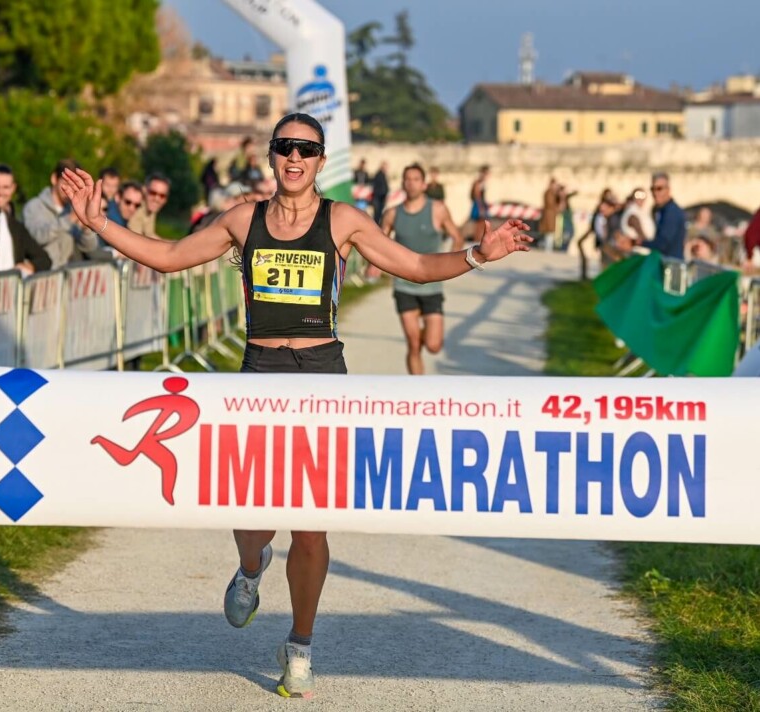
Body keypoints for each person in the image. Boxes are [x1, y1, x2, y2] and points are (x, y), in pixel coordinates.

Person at [60, 112, 531, 700]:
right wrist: (99, 222)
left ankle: (301, 647)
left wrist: (478, 254)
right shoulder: (244, 219)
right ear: (271, 155)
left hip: (322, 378)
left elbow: (414, 266)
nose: (294, 158)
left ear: (320, 160)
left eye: (306, 150)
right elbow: (169, 255)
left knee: (309, 529)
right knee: (252, 516)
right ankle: (250, 568)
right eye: (285, 147)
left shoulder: (343, 221)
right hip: (260, 374)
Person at [381, 163, 464, 375]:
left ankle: (424, 330)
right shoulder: (392, 214)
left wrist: (451, 264)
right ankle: (417, 389)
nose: (411, 183)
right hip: (404, 285)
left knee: (434, 346)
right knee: (413, 344)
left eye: (416, 179)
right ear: (402, 183)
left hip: (432, 286)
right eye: (407, 179)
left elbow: (457, 237)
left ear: (424, 184)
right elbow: (378, 244)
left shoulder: (437, 210)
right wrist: (374, 266)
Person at [23, 159, 102, 266]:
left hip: (68, 273)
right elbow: (37, 237)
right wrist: (69, 219)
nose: (69, 189)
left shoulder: (73, 209)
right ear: (54, 179)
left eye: (74, 185)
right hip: (44, 273)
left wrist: (86, 228)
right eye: (66, 183)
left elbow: (89, 248)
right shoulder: (34, 206)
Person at [643, 172, 686, 260]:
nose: (655, 193)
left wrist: (639, 243)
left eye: (659, 189)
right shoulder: (659, 210)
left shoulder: (672, 212)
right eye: (652, 189)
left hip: (671, 264)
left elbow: (663, 243)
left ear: (668, 189)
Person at [127, 173, 171, 238]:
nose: (157, 199)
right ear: (144, 190)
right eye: (153, 193)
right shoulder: (136, 207)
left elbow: (150, 235)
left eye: (162, 196)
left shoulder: (150, 209)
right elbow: (137, 240)